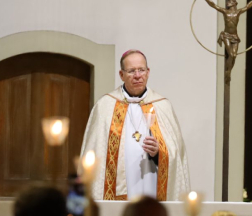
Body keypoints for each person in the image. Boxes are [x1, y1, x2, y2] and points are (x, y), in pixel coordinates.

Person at [80, 50, 190, 200]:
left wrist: (159, 152)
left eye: (141, 70)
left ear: (148, 72)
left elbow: (177, 155)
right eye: (131, 71)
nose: (137, 75)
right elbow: (94, 152)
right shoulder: (105, 106)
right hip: (118, 190)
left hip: (151, 183)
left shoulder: (162, 106)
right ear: (121, 75)